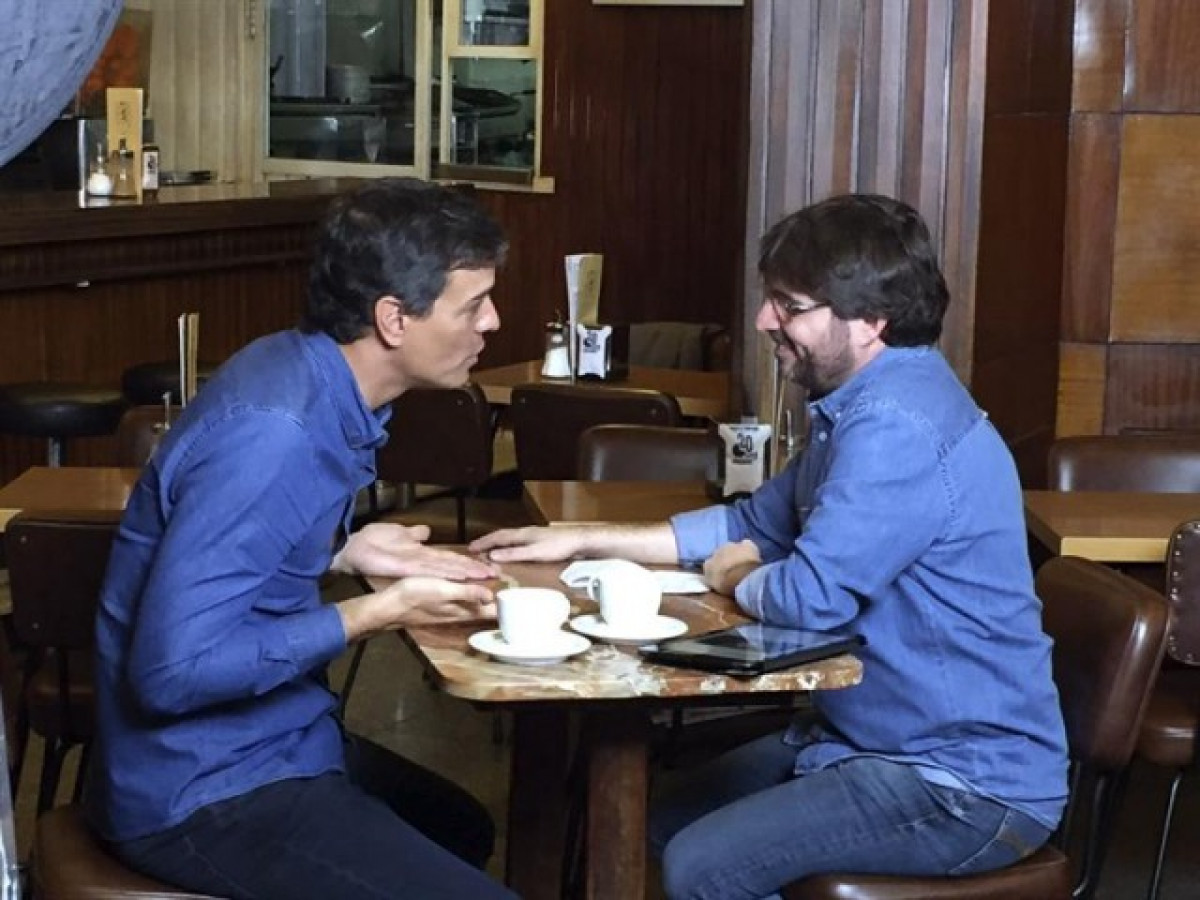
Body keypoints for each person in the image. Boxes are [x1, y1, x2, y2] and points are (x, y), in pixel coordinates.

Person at [470, 194, 1069, 899]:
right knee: (657, 826)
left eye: (789, 305)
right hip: (867, 741)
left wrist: (737, 577)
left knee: (699, 866)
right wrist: (580, 539)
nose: (763, 320)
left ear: (871, 321)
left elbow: (807, 599)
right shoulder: (864, 403)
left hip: (961, 782)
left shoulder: (897, 424)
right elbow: (748, 525)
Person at [87, 177, 519, 900]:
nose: (493, 322)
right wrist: (377, 610)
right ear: (394, 319)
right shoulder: (275, 433)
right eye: (473, 304)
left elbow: (242, 540)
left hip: (277, 739)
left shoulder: (299, 364)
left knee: (460, 828)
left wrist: (344, 549)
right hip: (201, 788)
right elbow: (170, 674)